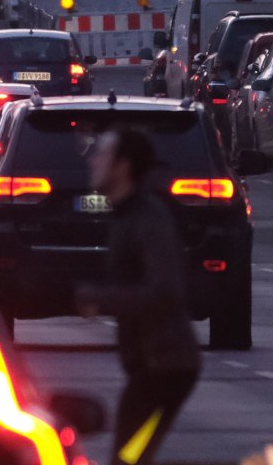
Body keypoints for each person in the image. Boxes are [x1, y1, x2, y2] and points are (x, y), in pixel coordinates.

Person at [82, 127, 201, 465]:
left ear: (123, 166)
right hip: (151, 365)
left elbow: (165, 290)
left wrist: (99, 298)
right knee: (132, 456)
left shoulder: (148, 219)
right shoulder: (127, 215)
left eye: (102, 154)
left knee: (129, 457)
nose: (93, 161)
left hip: (166, 365)